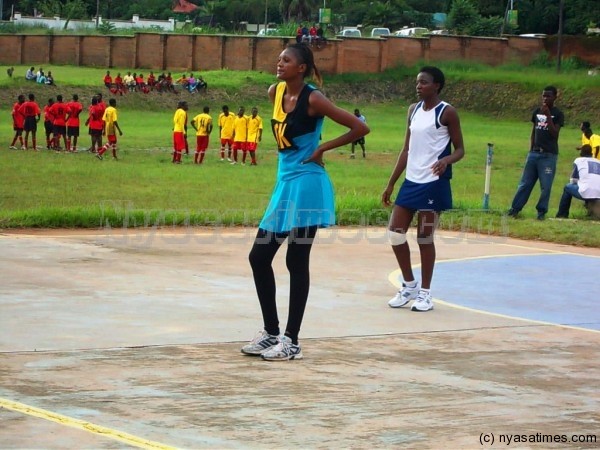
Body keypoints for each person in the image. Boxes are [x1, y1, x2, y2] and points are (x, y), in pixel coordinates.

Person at [241, 43, 369, 361]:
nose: (279, 63)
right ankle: (271, 333)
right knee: (259, 257)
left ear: (302, 68)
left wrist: (322, 148)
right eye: (279, 58)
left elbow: (359, 127)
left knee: (296, 261)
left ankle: (292, 340)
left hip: (308, 185)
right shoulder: (275, 92)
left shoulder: (314, 98)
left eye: (287, 60)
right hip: (284, 185)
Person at [383, 66, 465, 312]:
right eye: (417, 82)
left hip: (433, 182)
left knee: (424, 237)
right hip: (411, 180)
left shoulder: (447, 112)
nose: (418, 86)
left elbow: (460, 149)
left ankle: (426, 294)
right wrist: (391, 182)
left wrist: (446, 160)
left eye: (424, 82)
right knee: (395, 233)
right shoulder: (413, 110)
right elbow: (406, 149)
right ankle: (409, 285)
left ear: (436, 85)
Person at [507, 86, 564, 220]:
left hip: (548, 155)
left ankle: (541, 212)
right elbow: (534, 131)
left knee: (546, 186)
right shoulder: (537, 111)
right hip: (534, 154)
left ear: (555, 97)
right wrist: (531, 148)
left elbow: (555, 134)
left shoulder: (558, 114)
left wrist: (548, 116)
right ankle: (515, 209)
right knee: (525, 183)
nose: (545, 98)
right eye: (543, 96)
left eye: (548, 96)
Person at [556, 145, 600, 218]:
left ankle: (562, 214)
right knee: (588, 186)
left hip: (586, 192)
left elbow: (573, 180)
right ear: (591, 153)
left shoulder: (578, 161)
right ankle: (590, 213)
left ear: (581, 153)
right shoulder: (598, 162)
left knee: (567, 188)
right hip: (599, 193)